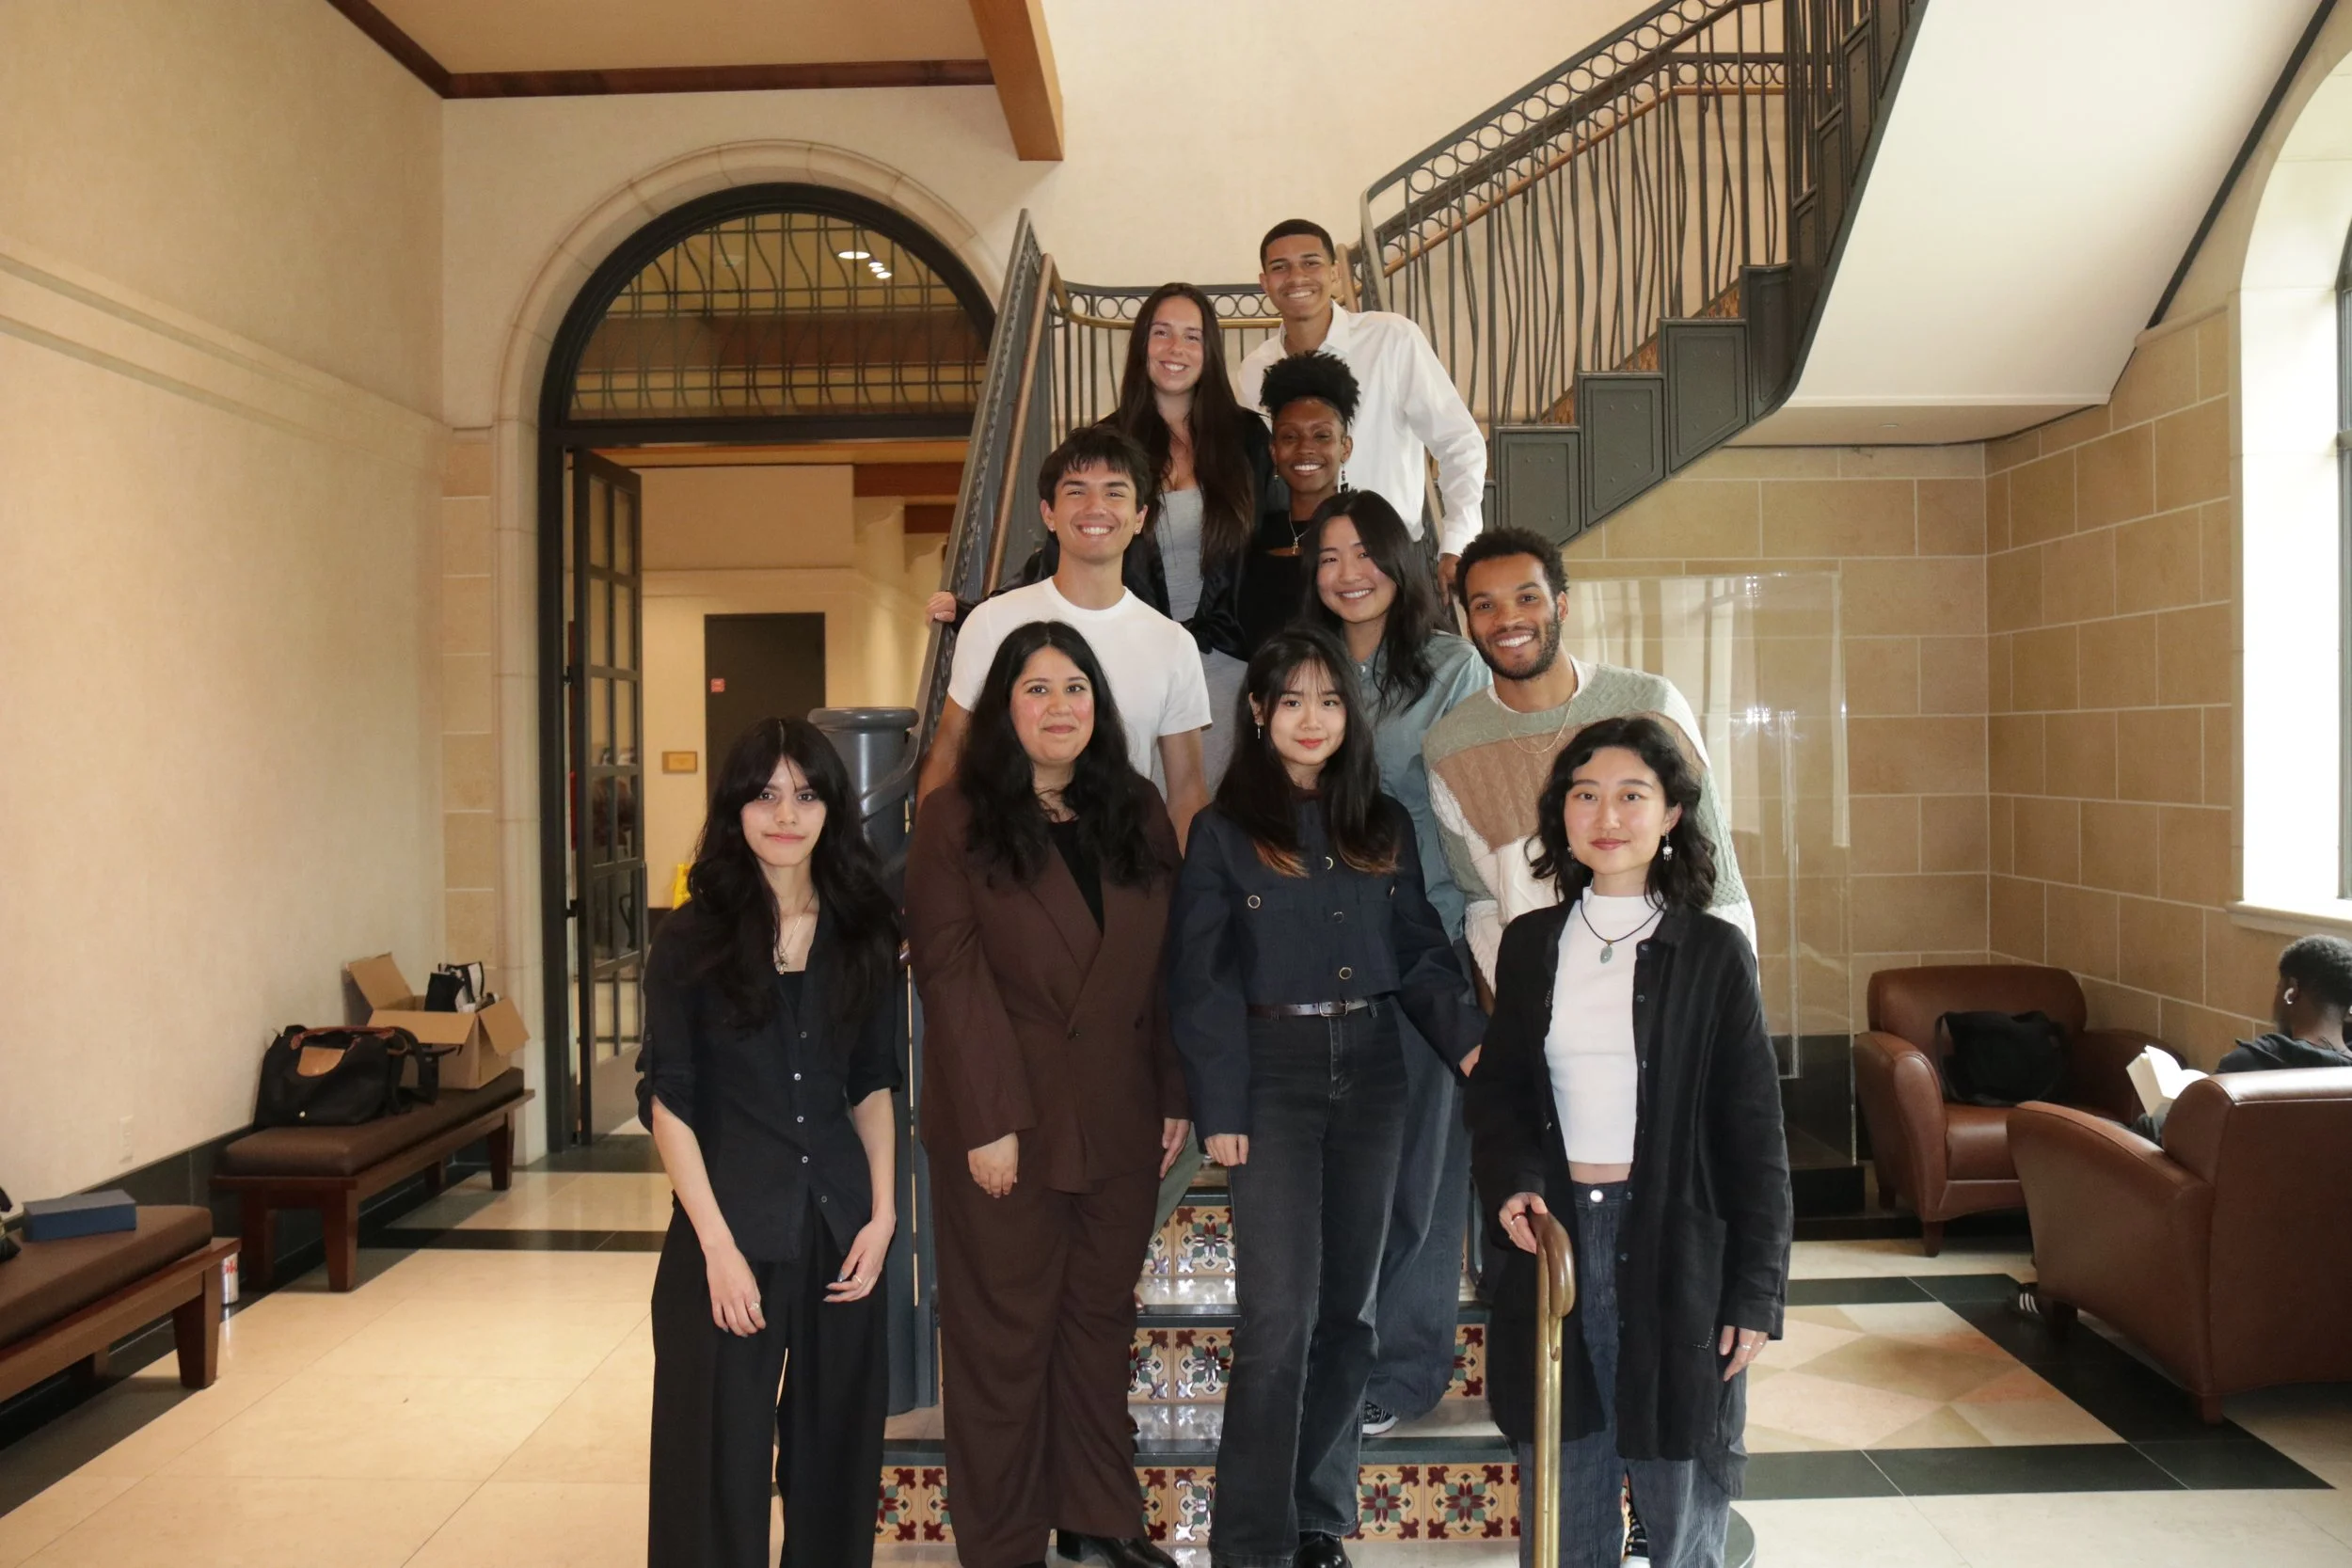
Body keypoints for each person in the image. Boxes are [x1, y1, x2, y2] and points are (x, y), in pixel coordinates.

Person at [1168, 626, 1485, 1568]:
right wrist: (1218, 1105)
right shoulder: (1223, 834)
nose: (1314, 719)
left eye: (1331, 701)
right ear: (1259, 712)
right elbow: (1201, 980)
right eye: (1294, 700)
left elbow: (1424, 954)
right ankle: (1248, 1541)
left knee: (1349, 1310)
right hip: (1272, 1075)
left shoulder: (1379, 822)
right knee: (1279, 1316)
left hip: (1375, 1067)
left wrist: (1474, 1047)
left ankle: (1317, 1518)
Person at [1465, 715, 1792, 1568]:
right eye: (1584, 794)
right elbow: (1498, 1093)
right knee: (1565, 1486)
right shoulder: (1533, 945)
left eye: (1631, 795)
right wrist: (1513, 1184)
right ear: (1561, 816)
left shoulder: (1715, 954)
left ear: (1674, 813)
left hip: (1676, 1247)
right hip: (1559, 1241)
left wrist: (1755, 1292)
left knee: (1680, 1496)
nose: (1606, 814)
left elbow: (1754, 1134)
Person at [903, 621, 1192, 1568]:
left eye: (1076, 687)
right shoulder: (953, 818)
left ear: (1099, 707)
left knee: (1098, 1321)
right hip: (1007, 1118)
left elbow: (1167, 963)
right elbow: (950, 977)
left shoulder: (1137, 807)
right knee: (1002, 1339)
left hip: (1119, 1109)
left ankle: (1098, 1511)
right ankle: (1001, 1539)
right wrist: (991, 1119)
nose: (1058, 706)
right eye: (1036, 688)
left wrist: (1176, 1089)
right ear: (1002, 708)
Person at [639, 718, 902, 1568]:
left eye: (807, 793)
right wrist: (714, 1247)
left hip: (839, 1233)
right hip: (727, 1237)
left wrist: (885, 1215)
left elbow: (871, 1081)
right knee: (713, 1469)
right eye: (765, 794)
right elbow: (667, 1099)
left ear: (831, 808)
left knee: (835, 1466)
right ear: (736, 808)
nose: (786, 813)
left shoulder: (862, 932)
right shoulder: (690, 938)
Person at [1296, 490, 1493, 1438]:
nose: (1348, 572)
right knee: (1338, 1167)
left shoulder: (1452, 667)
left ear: (1401, 560)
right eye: (1327, 555)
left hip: (1421, 947)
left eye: (1365, 551)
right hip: (1317, 950)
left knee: (1419, 1170)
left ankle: (1405, 1365)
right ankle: (1329, 1344)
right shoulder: (1302, 668)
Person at [927, 283, 1270, 784]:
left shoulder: (1248, 440)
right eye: (1162, 333)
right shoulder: (1109, 443)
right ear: (1141, 346)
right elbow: (1068, 546)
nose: (1176, 349)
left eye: (1192, 337)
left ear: (1210, 351)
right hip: (1127, 659)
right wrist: (981, 609)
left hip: (1225, 666)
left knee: (1204, 817)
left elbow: (1272, 546)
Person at [1424, 527, 1756, 997]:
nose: (1507, 620)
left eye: (1527, 598)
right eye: (1484, 605)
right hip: (1550, 1005)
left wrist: (1729, 1014)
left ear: (1560, 606)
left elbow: (1713, 867)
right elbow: (1480, 903)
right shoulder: (1449, 745)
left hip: (1669, 990)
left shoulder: (1649, 703)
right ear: (1468, 619)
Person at [918, 426, 1212, 846]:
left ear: (1140, 517)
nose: (1096, 508)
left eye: (1114, 493)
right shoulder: (993, 621)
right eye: (1076, 492)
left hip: (1120, 862)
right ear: (1048, 513)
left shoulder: (1172, 643)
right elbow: (948, 756)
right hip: (1008, 856)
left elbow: (1186, 792)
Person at [1235, 218, 1486, 592]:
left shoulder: (1390, 339)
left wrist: (1458, 541)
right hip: (1299, 564)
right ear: (1265, 283)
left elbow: (1458, 442)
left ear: (1335, 273)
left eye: (1310, 262)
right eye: (1280, 267)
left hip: (1390, 558)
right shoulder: (1254, 370)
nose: (1296, 276)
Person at [1238, 351, 1359, 656]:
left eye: (1321, 436)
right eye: (1290, 437)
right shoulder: (1253, 538)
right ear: (1274, 451)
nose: (1306, 448)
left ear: (1345, 447)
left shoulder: (1365, 530)